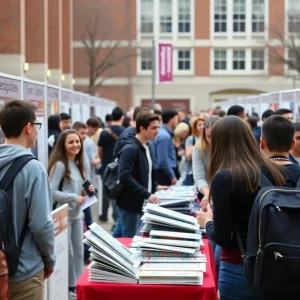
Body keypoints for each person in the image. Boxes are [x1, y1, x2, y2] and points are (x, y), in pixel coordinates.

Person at [196, 115, 300, 300]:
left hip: (239, 267)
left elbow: (223, 238)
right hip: (278, 264)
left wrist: (208, 222)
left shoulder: (224, 178)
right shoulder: (273, 170)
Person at [0, 100, 55, 300]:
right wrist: (49, 259)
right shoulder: (33, 169)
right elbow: (41, 224)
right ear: (28, 128)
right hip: (24, 270)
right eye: (37, 127)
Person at [48, 129, 94, 299]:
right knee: (68, 254)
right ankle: (68, 287)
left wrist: (87, 191)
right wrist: (74, 197)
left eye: (77, 141)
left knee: (79, 253)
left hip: (77, 216)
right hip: (63, 217)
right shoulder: (60, 165)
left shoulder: (79, 163)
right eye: (71, 142)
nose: (75, 145)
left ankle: (75, 285)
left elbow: (80, 188)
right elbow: (51, 192)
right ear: (63, 145)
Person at [113, 111, 168, 237]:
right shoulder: (130, 149)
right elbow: (124, 177)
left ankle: (102, 254)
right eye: (153, 128)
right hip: (130, 202)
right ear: (142, 128)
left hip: (139, 201)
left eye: (158, 127)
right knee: (129, 239)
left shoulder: (147, 145)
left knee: (119, 235)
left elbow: (145, 173)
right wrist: (147, 194)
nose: (157, 130)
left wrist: (155, 186)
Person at [98, 107, 125, 223]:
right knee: (116, 192)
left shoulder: (104, 132)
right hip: (120, 166)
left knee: (105, 192)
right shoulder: (125, 131)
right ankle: (117, 218)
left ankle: (104, 214)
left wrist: (104, 159)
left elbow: (100, 150)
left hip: (106, 166)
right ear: (122, 117)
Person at [192, 116, 220, 205]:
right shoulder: (199, 149)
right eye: (208, 136)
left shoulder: (230, 148)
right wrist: (207, 193)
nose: (212, 140)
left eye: (216, 136)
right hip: (207, 192)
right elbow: (199, 177)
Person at [153, 109, 179, 186]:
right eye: (176, 118)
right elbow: (162, 159)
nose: (177, 121)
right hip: (164, 173)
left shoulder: (163, 133)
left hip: (164, 171)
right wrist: (172, 176)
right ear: (171, 120)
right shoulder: (164, 136)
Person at [183, 117, 205, 185]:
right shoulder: (191, 139)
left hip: (204, 172)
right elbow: (188, 156)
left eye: (204, 124)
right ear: (195, 127)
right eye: (199, 125)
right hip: (191, 172)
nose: (202, 127)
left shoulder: (207, 139)